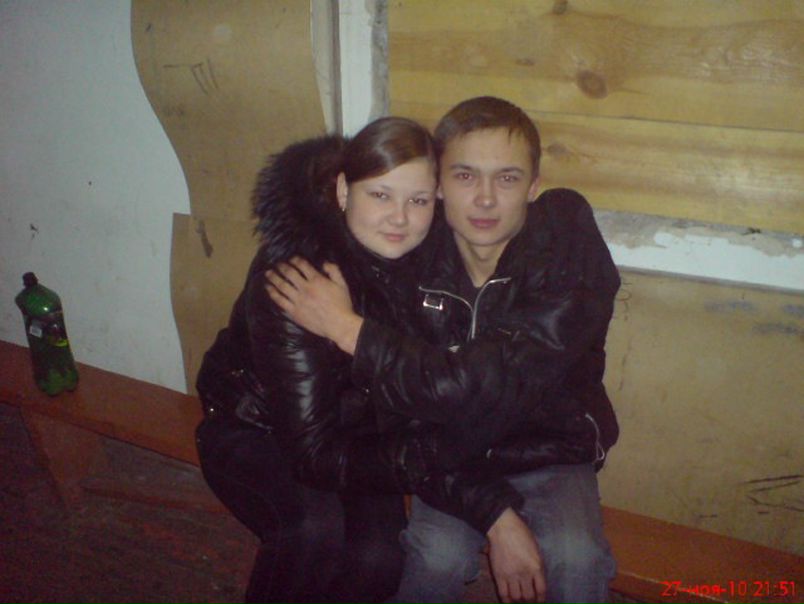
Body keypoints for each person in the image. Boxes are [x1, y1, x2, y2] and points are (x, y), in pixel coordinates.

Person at [196, 115, 591, 603]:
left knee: (380, 559)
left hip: (357, 437)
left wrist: (491, 510)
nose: (399, 218)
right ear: (344, 190)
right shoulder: (301, 277)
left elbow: (422, 400)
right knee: (314, 531)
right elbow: (313, 452)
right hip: (257, 429)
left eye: (417, 201)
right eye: (380, 195)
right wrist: (479, 502)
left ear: (436, 201)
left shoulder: (424, 271)